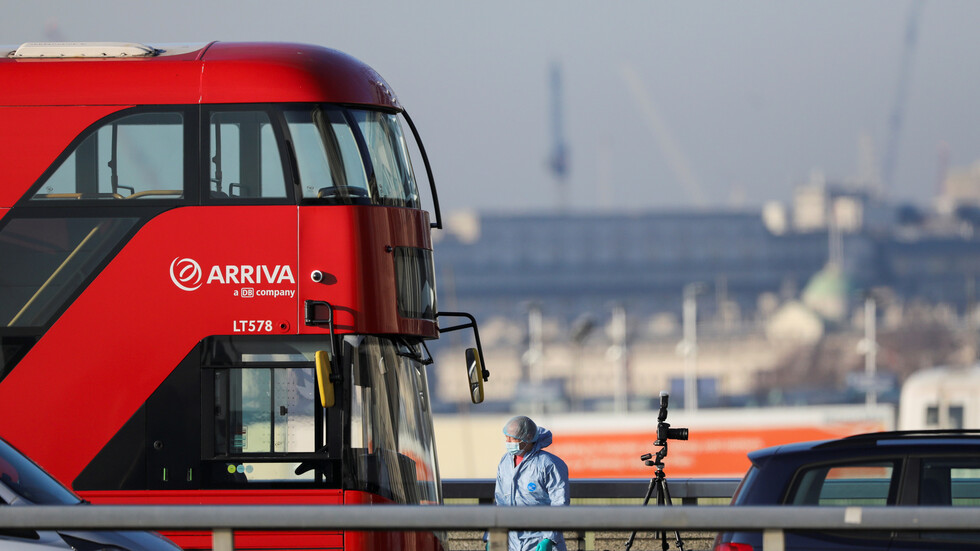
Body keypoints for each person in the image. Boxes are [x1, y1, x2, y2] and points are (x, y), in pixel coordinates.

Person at [490, 415, 569, 551]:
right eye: (506, 437)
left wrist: (549, 538)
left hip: (541, 541)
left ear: (528, 439)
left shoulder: (549, 464)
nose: (507, 441)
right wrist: (493, 537)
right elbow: (500, 501)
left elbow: (560, 503)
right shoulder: (505, 462)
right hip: (514, 543)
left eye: (512, 438)